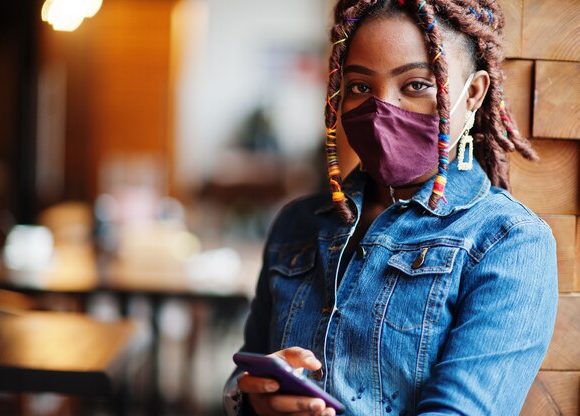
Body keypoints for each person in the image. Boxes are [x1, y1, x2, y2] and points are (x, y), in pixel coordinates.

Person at [223, 0, 558, 415]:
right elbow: (247, 367)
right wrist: (254, 398)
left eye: (416, 85)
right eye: (360, 87)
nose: (383, 110)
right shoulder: (298, 223)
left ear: (473, 93)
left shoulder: (508, 242)